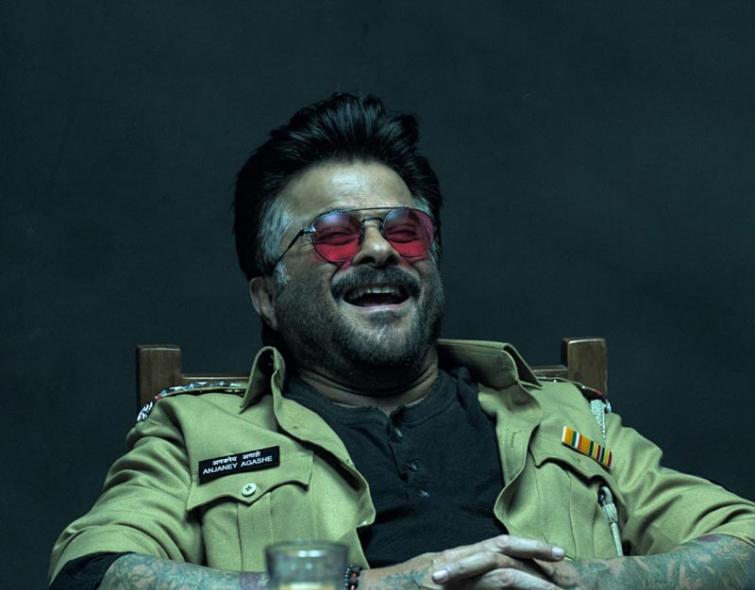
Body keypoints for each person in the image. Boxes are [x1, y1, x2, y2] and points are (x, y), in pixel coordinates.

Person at [49, 93, 755, 590]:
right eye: (334, 235)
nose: (380, 249)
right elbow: (93, 572)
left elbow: (743, 542)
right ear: (267, 295)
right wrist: (365, 584)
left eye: (404, 229)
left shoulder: (562, 414)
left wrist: (586, 581)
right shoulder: (195, 431)